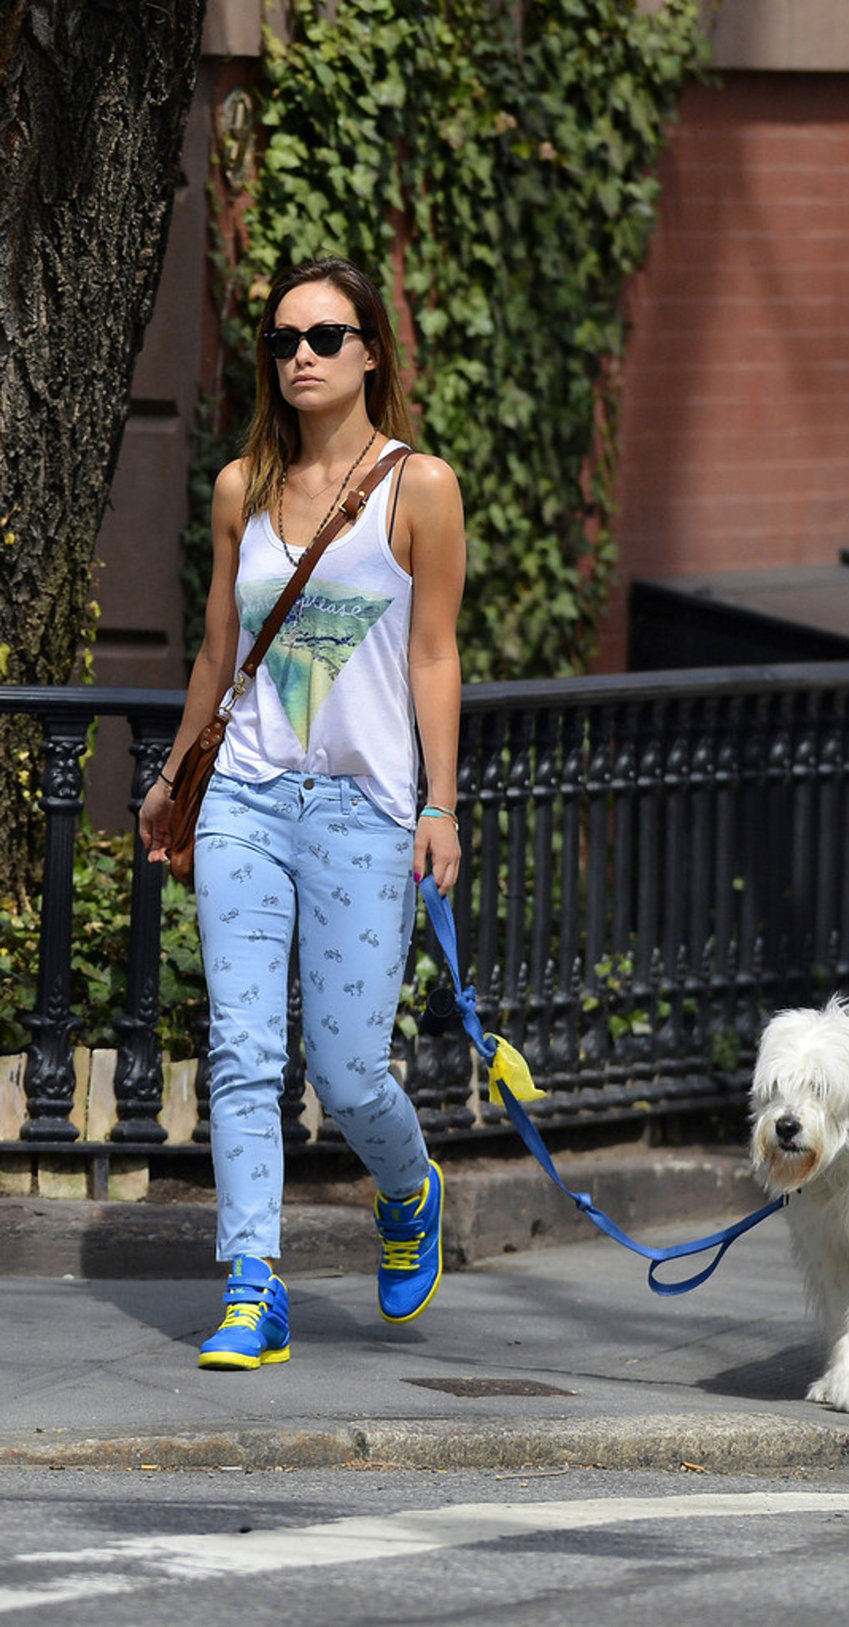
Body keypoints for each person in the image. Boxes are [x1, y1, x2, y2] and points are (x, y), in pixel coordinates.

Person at [139, 257, 465, 1370]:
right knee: (239, 1047)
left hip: (366, 810)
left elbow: (434, 653)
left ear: (372, 349)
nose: (302, 359)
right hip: (248, 800)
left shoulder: (421, 489)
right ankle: (251, 1287)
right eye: (282, 341)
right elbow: (219, 655)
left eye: (326, 337)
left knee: (346, 1068)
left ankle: (409, 1184)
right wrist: (176, 775)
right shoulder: (241, 488)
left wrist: (440, 802)